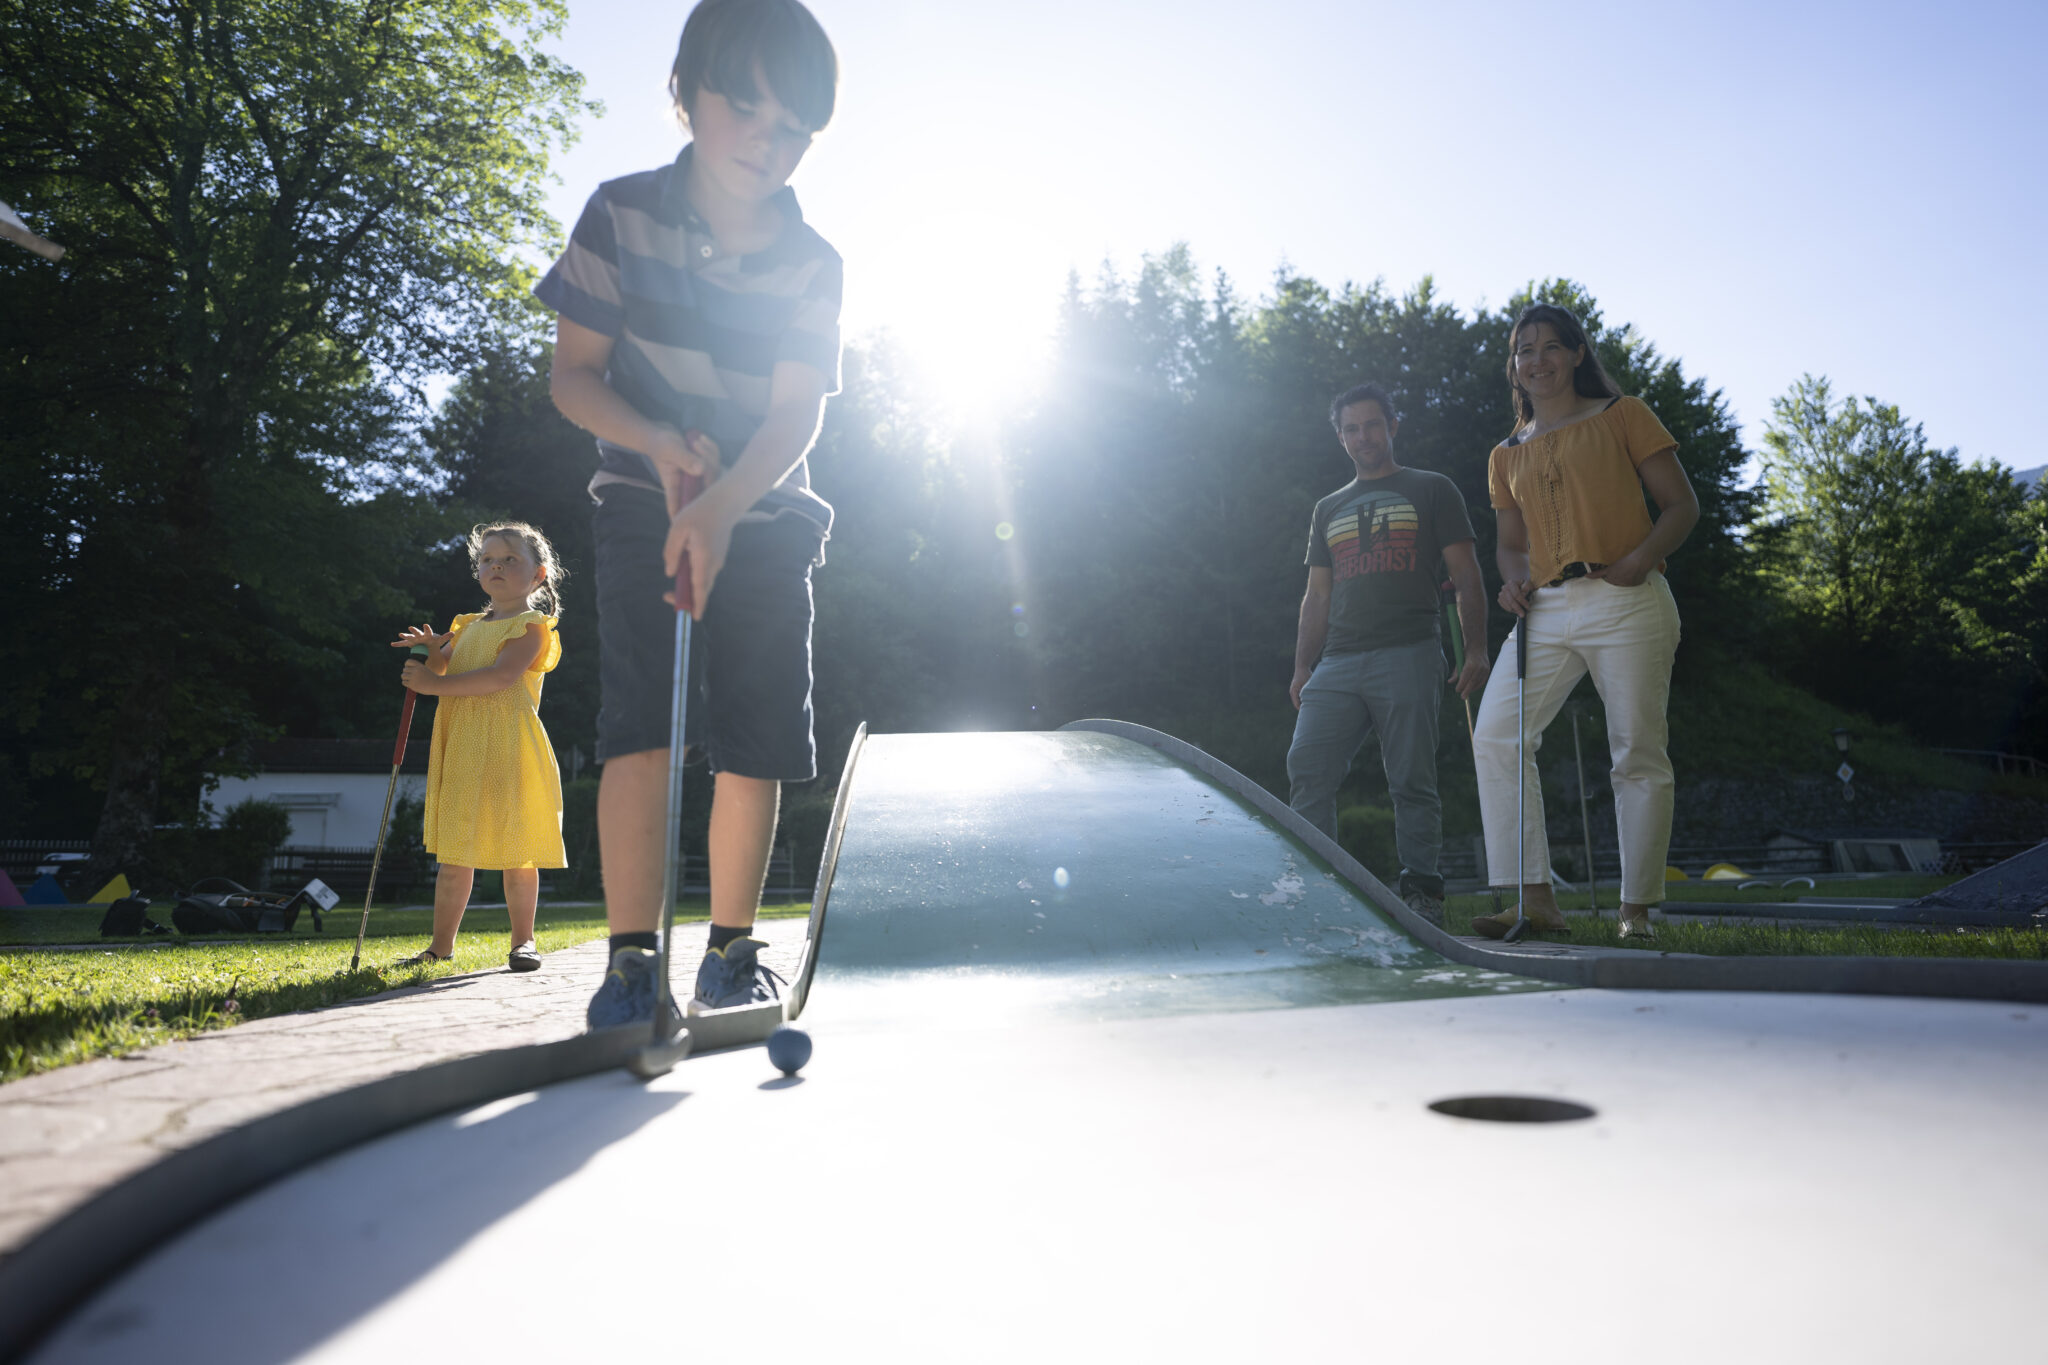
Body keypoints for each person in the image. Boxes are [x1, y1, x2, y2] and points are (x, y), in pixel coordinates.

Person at [533, 0, 843, 1030]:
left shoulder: (814, 261)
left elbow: (794, 411)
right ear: (683, 93)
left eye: (793, 124)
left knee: (754, 732)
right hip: (639, 500)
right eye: (741, 104)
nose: (766, 138)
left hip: (764, 508)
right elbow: (575, 378)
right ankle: (630, 962)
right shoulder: (618, 213)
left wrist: (722, 502)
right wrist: (664, 449)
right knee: (642, 721)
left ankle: (729, 948)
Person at [1469, 303, 1699, 941]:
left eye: (1548, 348)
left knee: (1636, 750)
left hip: (1626, 597)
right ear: (1513, 367)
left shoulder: (1624, 416)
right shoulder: (1504, 453)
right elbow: (1510, 543)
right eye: (1523, 351)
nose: (1535, 361)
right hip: (1544, 608)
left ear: (1575, 354)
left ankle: (1637, 912)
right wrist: (1512, 580)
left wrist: (1640, 560)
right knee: (1495, 737)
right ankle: (1535, 902)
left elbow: (1681, 506)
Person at [1287, 382, 1491, 928]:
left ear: (1393, 426)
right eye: (1351, 428)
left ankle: (1422, 893)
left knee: (1410, 779)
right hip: (1337, 660)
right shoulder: (1327, 507)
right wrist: (1303, 665)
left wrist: (1476, 649)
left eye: (1372, 425)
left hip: (1409, 650)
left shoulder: (1432, 489)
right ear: (1340, 437)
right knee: (1306, 765)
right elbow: (1318, 594)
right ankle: (1318, 890)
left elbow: (1466, 575)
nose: (1363, 437)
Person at [390, 522, 568, 972]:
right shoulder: (465, 626)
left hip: (510, 746)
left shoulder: (532, 626)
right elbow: (445, 672)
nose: (497, 566)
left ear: (538, 575)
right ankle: (440, 946)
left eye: (510, 559)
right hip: (464, 744)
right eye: (488, 559)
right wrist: (433, 653)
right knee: (455, 852)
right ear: (478, 570)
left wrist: (431, 685)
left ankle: (523, 941)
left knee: (517, 850)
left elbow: (500, 677)